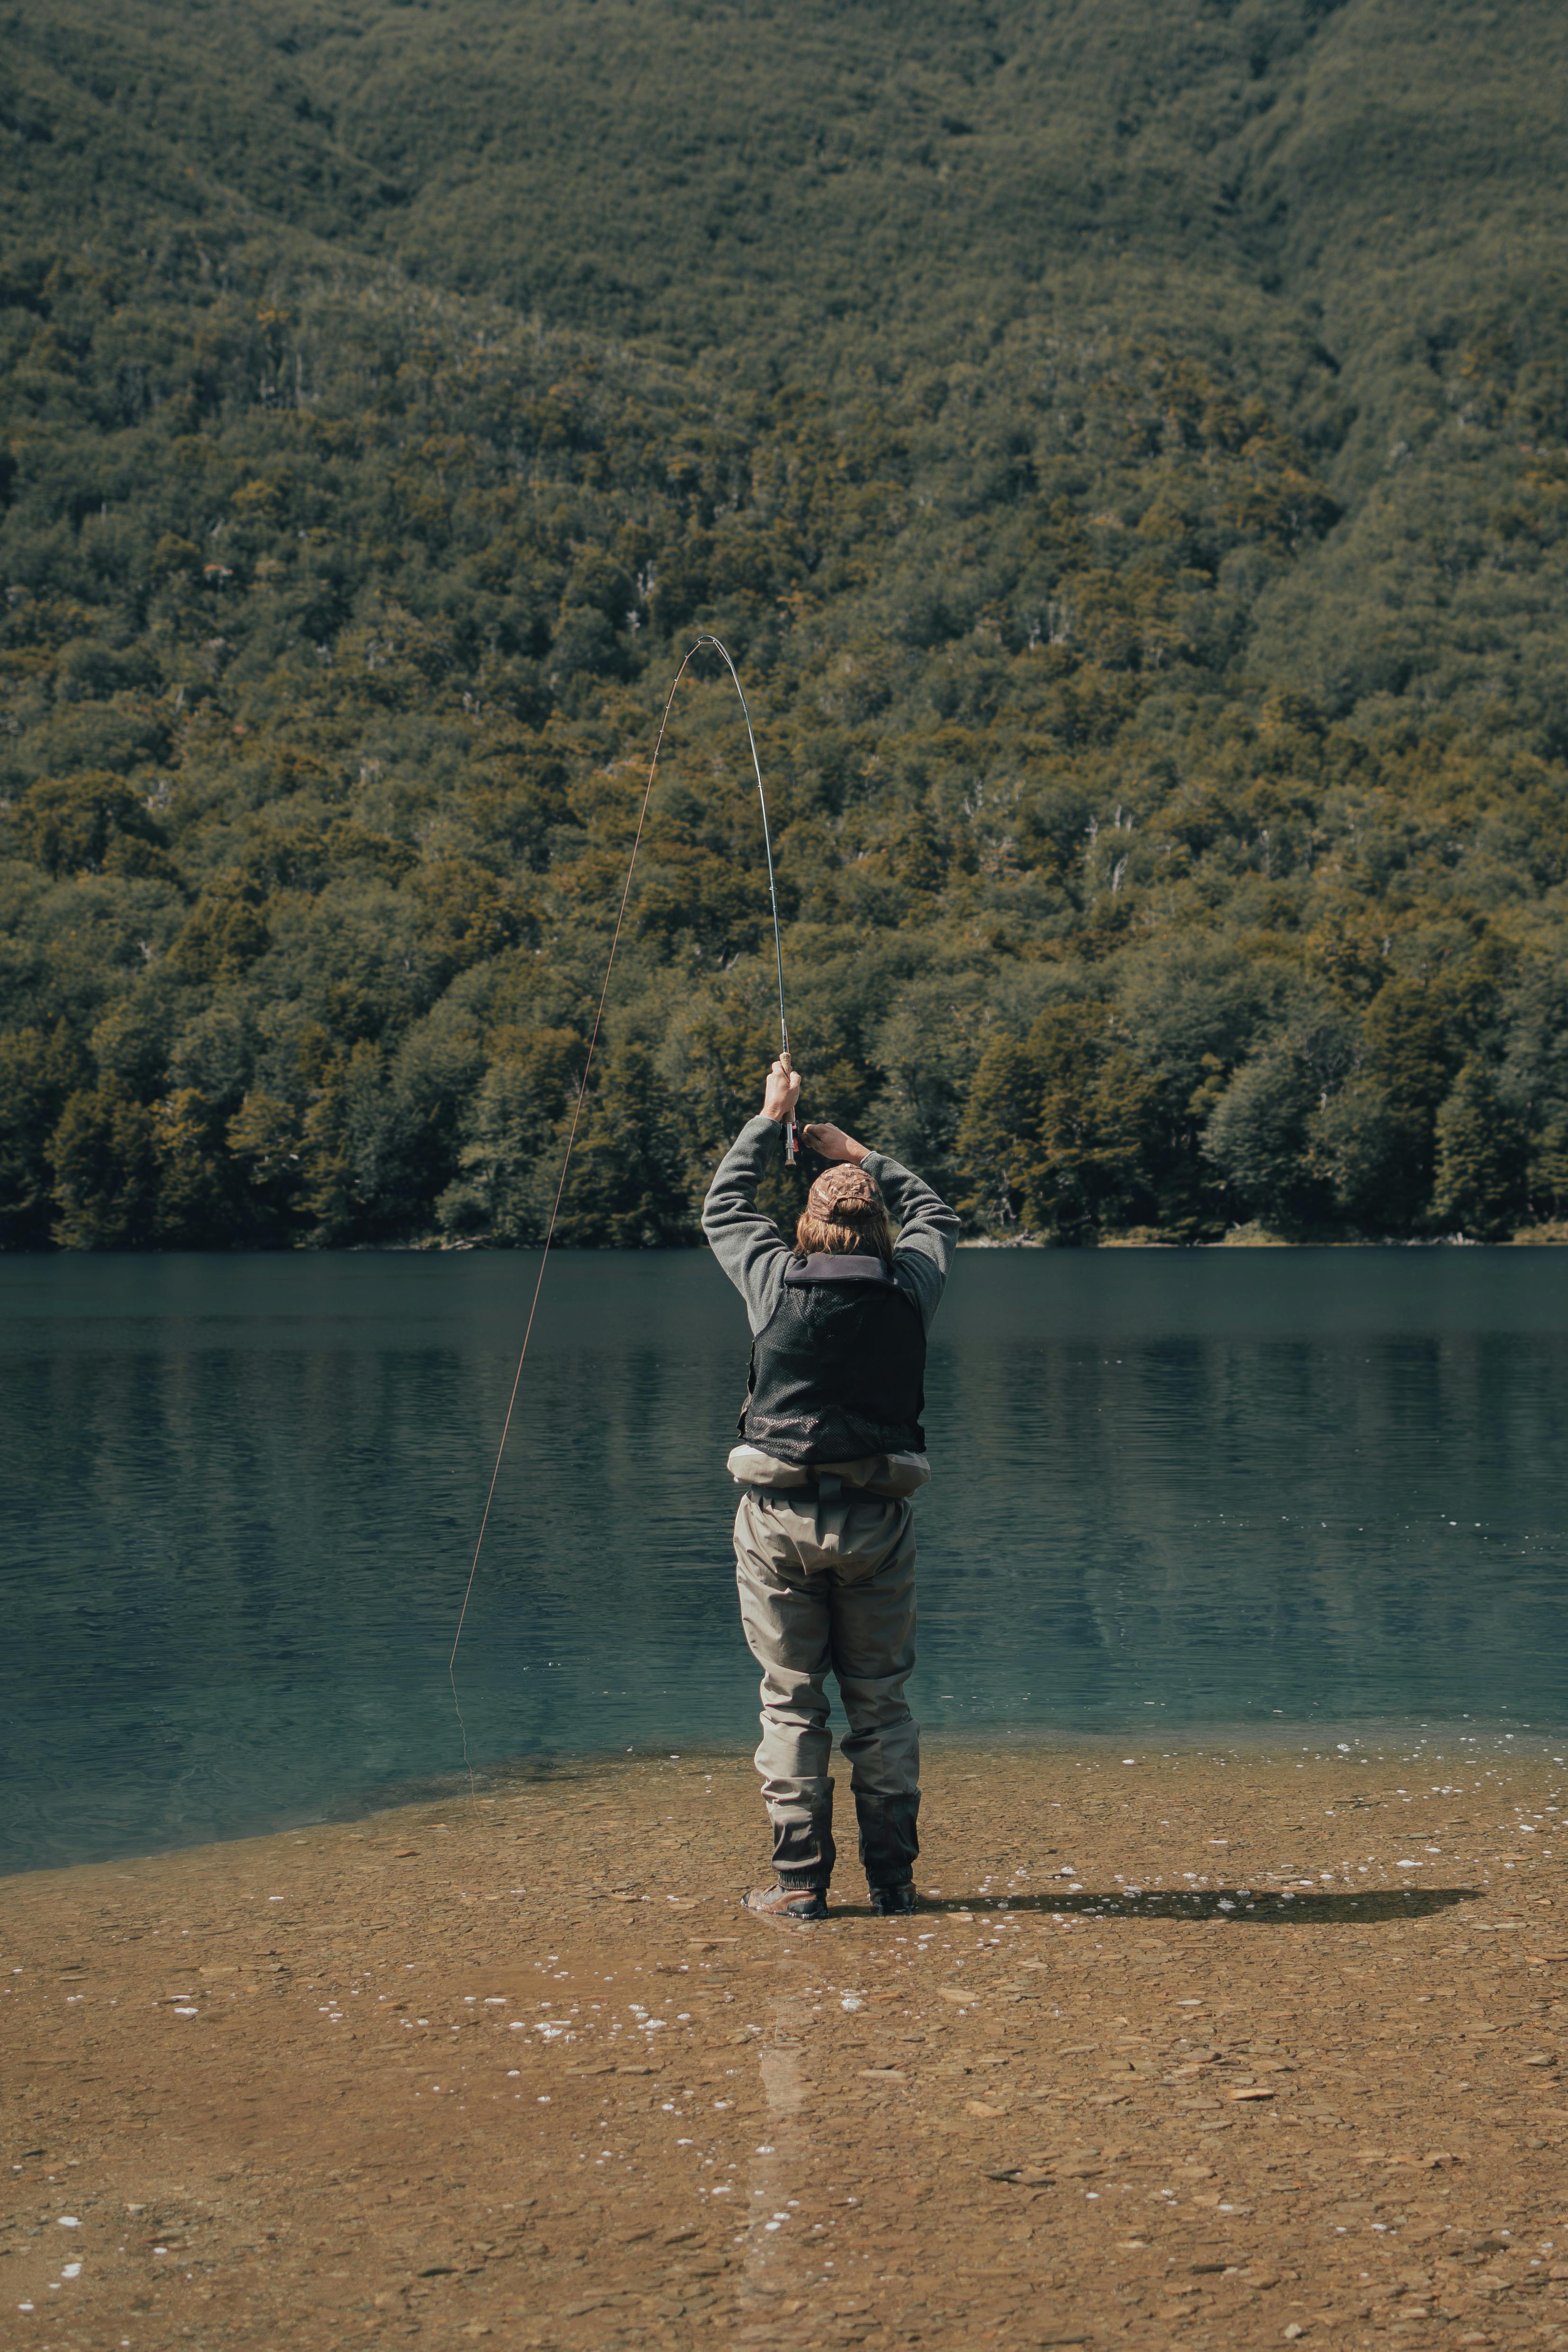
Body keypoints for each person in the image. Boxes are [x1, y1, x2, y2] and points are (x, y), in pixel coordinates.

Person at [702, 1059, 958, 1922]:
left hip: (777, 1523)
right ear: (881, 1225)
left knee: (791, 1703)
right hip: (877, 1524)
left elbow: (724, 1207)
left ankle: (801, 1884)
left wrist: (768, 1117)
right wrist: (858, 1152)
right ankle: (893, 1884)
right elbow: (937, 1215)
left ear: (807, 1226)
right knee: (880, 1705)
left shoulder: (774, 1279)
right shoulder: (911, 1286)